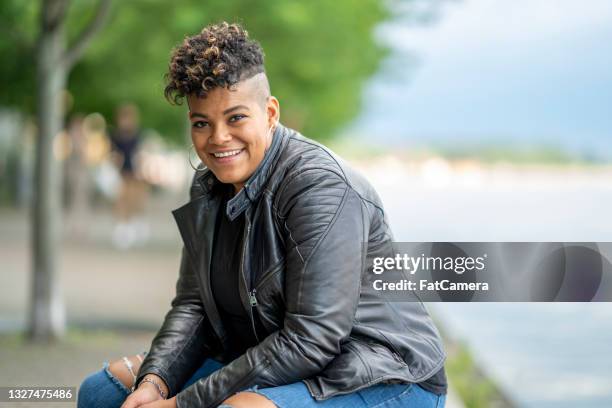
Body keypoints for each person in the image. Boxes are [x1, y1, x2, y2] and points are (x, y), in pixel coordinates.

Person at [78, 22, 447, 408]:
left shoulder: (319, 188)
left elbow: (312, 339)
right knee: (103, 393)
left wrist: (180, 404)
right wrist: (154, 382)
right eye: (202, 123)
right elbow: (193, 305)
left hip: (383, 374)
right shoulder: (208, 186)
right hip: (277, 357)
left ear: (270, 112)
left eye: (236, 118)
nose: (218, 138)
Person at [108, 103, 150, 249]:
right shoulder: (114, 136)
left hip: (136, 171)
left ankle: (134, 225)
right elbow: (111, 153)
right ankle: (122, 227)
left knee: (135, 199)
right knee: (121, 199)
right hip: (120, 171)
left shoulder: (138, 135)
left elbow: (142, 153)